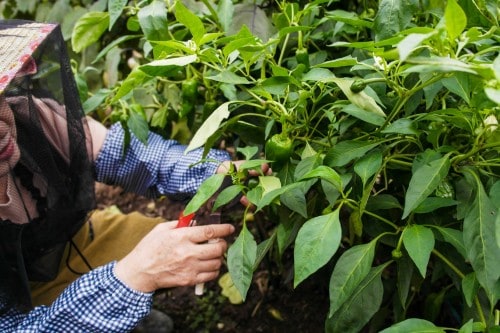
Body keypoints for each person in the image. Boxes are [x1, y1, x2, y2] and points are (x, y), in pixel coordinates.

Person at [0, 20, 262, 332]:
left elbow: (130, 155)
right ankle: (105, 312)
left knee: (156, 241)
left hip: (63, 251)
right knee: (141, 270)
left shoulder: (29, 118)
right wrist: (135, 275)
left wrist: (215, 172)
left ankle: (113, 312)